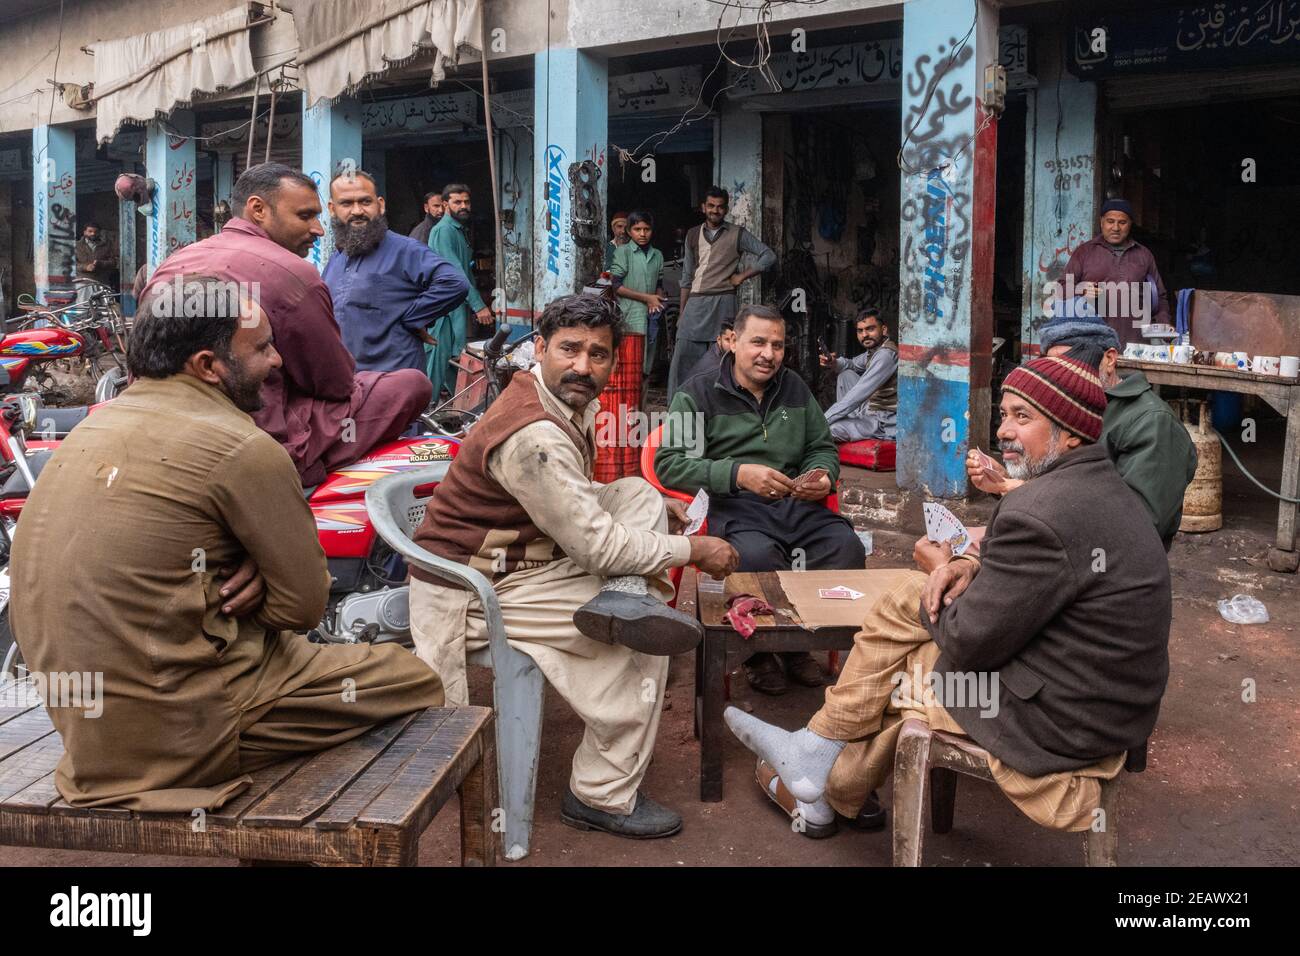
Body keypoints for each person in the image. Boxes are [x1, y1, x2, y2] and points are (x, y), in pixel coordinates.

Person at [9, 275, 443, 811]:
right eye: (261, 348)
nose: (277, 361)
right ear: (209, 366)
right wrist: (257, 576)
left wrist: (231, 572)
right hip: (187, 730)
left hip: (86, 732)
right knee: (414, 677)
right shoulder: (244, 446)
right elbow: (301, 607)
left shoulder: (90, 429)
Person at [727, 355, 1171, 839]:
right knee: (908, 620)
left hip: (1060, 720)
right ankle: (819, 771)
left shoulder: (1041, 510)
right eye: (1004, 415)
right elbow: (1051, 577)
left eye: (1023, 418)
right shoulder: (1104, 488)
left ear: (1071, 434)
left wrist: (940, 568)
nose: (1003, 431)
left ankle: (822, 774)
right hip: (1112, 707)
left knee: (903, 668)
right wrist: (967, 565)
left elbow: (968, 639)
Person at [409, 293, 739, 839]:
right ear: (539, 348)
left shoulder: (550, 398)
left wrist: (659, 511)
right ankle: (601, 795)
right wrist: (692, 551)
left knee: (639, 494)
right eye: (569, 349)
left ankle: (627, 601)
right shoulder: (534, 434)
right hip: (474, 591)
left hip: (518, 561)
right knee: (643, 645)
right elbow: (596, 549)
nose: (584, 367)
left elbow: (575, 501)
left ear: (613, 360)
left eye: (599, 354)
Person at [144, 163, 432, 487]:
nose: (319, 229)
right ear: (258, 209)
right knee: (409, 384)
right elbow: (335, 384)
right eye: (305, 216)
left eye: (363, 203)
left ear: (380, 205)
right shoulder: (293, 273)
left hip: (164, 424)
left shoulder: (173, 263)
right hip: (261, 435)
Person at [657, 305, 866, 696]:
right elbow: (670, 465)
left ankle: (797, 646)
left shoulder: (795, 389)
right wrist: (737, 474)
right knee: (754, 559)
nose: (768, 354)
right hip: (736, 508)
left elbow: (822, 447)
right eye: (758, 342)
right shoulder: (696, 393)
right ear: (732, 341)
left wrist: (823, 476)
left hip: (798, 506)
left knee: (845, 549)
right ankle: (757, 654)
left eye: (778, 345)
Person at [960, 311, 1196, 551]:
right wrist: (1007, 480)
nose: (1060, 377)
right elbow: (1058, 483)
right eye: (1052, 366)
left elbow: (1138, 526)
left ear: (1109, 359)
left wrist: (1020, 490)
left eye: (1071, 364)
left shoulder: (1152, 421)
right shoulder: (1064, 412)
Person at [323, 170, 469, 374]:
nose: (357, 211)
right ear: (332, 209)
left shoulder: (405, 249)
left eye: (365, 202)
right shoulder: (338, 258)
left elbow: (454, 283)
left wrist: (413, 318)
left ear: (380, 205)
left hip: (392, 380)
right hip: (348, 380)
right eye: (346, 203)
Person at [668, 187, 777, 396]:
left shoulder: (738, 234)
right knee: (682, 360)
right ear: (703, 207)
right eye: (711, 206)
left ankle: (717, 407)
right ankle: (678, 408)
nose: (715, 210)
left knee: (721, 360)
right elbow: (687, 277)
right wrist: (682, 313)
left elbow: (768, 256)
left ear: (726, 209)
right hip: (696, 303)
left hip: (724, 302)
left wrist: (741, 276)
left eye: (720, 207)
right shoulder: (692, 235)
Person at [598, 210, 664, 481]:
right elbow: (617, 286)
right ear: (631, 232)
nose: (642, 234)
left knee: (646, 370)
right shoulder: (623, 252)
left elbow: (659, 285)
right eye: (637, 229)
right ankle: (623, 423)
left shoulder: (657, 255)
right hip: (630, 315)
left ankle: (638, 421)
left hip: (651, 316)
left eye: (646, 229)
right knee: (628, 371)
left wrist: (657, 299)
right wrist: (647, 298)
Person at [1064, 198, 1170, 346]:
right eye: (1110, 221)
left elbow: (1160, 296)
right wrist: (1080, 290)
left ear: (1130, 224)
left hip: (1135, 345)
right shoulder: (1084, 252)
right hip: (1093, 344)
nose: (1115, 228)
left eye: (1122, 222)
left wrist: (1164, 323)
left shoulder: (1144, 255)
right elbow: (1062, 289)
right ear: (1101, 222)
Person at [426, 183, 493, 401]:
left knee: (451, 359)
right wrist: (478, 305)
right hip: (444, 308)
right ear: (446, 205)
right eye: (457, 202)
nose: (463, 206)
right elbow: (455, 272)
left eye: (466, 201)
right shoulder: (443, 231)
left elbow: (465, 270)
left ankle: (463, 406)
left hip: (456, 305)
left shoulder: (458, 229)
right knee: (439, 358)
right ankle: (425, 409)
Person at [820, 308, 898, 442]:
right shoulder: (873, 352)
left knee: (830, 429)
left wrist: (821, 421)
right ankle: (851, 423)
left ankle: (849, 426)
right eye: (860, 331)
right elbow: (851, 364)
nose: (865, 335)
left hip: (882, 423)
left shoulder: (885, 355)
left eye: (870, 329)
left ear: (884, 330)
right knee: (846, 375)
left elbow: (856, 396)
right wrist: (833, 362)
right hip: (870, 411)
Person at [74, 222, 118, 298]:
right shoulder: (77, 246)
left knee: (103, 308)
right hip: (84, 284)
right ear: (84, 232)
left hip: (102, 283)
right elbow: (71, 264)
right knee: (84, 307)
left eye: (96, 232)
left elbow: (113, 262)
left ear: (99, 233)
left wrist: (101, 263)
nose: (93, 234)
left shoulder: (106, 246)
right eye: (90, 231)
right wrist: (85, 267)